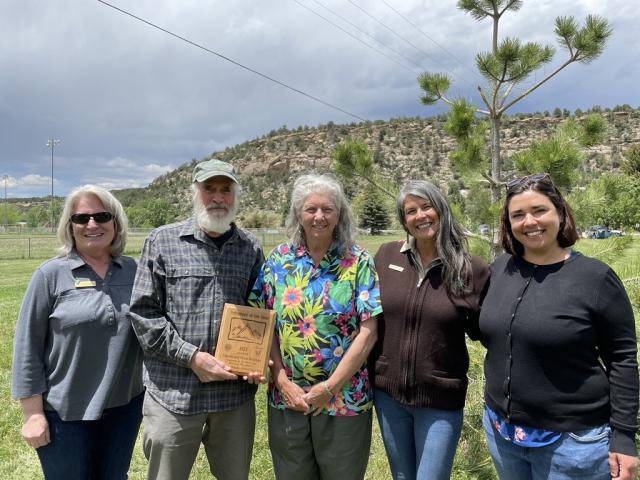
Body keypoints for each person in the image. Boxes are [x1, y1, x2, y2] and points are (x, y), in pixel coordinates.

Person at [479, 173, 639, 480]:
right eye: (518, 215)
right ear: (508, 223)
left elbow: (622, 359)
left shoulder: (595, 279)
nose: (530, 221)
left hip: (573, 445)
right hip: (502, 434)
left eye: (539, 210)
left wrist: (624, 437)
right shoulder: (500, 269)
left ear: (560, 213)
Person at [128, 159, 265, 480]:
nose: (218, 197)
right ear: (194, 193)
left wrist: (260, 358)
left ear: (235, 195)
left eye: (225, 190)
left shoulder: (250, 247)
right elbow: (143, 313)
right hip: (174, 395)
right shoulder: (162, 241)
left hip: (233, 398)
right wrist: (191, 357)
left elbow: (260, 313)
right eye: (209, 189)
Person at [248, 173, 382, 480]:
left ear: (339, 215)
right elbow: (264, 323)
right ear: (298, 213)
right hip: (288, 399)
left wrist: (330, 388)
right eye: (311, 209)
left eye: (327, 209)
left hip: (345, 400)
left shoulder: (358, 260)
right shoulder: (278, 261)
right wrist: (281, 381)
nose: (319, 217)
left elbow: (369, 331)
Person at [11, 185, 143, 479]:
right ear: (69, 227)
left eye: (101, 216)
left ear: (116, 222)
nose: (92, 224)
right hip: (65, 414)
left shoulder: (135, 271)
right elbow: (27, 346)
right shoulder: (50, 275)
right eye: (81, 218)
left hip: (124, 408)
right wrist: (32, 414)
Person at [370, 180, 490, 480]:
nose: (421, 215)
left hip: (440, 399)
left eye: (427, 206)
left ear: (441, 209)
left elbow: (488, 332)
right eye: (411, 210)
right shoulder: (386, 257)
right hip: (388, 396)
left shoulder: (470, 269)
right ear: (403, 219)